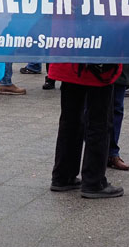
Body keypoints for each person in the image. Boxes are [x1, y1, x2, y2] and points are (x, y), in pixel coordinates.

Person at [49, 61, 123, 199]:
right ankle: (94, 181)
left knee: (70, 120)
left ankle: (63, 175)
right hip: (99, 65)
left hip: (69, 60)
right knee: (99, 121)